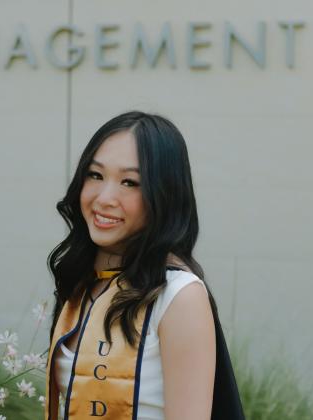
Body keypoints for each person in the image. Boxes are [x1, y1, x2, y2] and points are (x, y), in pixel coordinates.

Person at [44, 111, 245, 420]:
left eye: (130, 182)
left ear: (162, 195)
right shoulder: (83, 284)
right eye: (95, 175)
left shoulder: (178, 296)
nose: (105, 198)